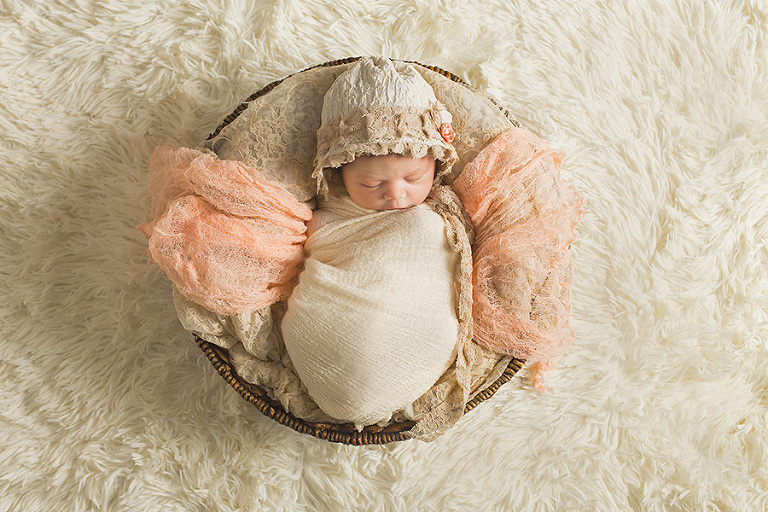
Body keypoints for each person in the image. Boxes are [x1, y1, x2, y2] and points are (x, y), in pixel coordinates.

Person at [280, 57, 465, 426]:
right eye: (371, 184)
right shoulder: (329, 211)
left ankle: (399, 367)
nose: (396, 195)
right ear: (338, 175)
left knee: (426, 229)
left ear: (436, 163)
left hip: (412, 320)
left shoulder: (439, 211)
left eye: (413, 178)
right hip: (335, 324)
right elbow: (321, 239)